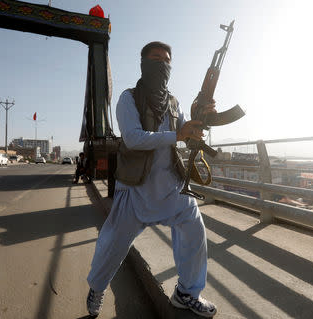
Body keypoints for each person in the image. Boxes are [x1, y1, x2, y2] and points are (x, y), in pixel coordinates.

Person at [86, 41, 218, 317]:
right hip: (135, 189)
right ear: (144, 63)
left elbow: (186, 134)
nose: (163, 64)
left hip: (171, 187)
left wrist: (202, 120)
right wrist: (178, 135)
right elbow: (133, 139)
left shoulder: (173, 103)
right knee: (112, 246)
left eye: (167, 60)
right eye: (156, 58)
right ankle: (97, 288)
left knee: (194, 231)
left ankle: (186, 293)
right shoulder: (128, 98)